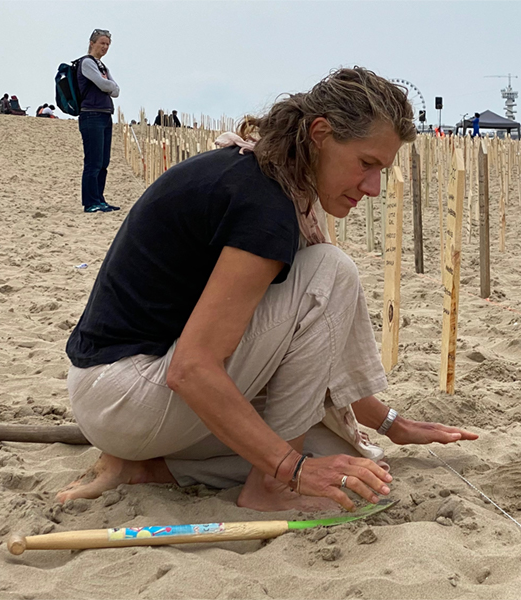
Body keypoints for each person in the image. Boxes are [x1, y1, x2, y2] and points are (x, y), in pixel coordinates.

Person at [57, 67, 478, 513]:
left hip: (120, 394)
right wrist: (290, 469)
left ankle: (146, 469)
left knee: (341, 454)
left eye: (381, 170)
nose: (373, 188)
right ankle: (271, 487)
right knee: (331, 272)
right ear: (320, 133)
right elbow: (192, 368)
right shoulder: (265, 204)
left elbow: (296, 352)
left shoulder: (263, 172)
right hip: (125, 393)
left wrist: (391, 424)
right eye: (366, 163)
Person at [78, 28, 120, 213]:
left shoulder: (102, 66)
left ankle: (99, 199)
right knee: (93, 161)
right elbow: (105, 84)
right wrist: (109, 86)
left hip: (105, 114)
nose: (105, 47)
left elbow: (116, 90)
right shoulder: (87, 63)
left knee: (103, 162)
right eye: (102, 43)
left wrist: (109, 86)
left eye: (108, 44)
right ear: (92, 43)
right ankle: (90, 202)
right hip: (91, 114)